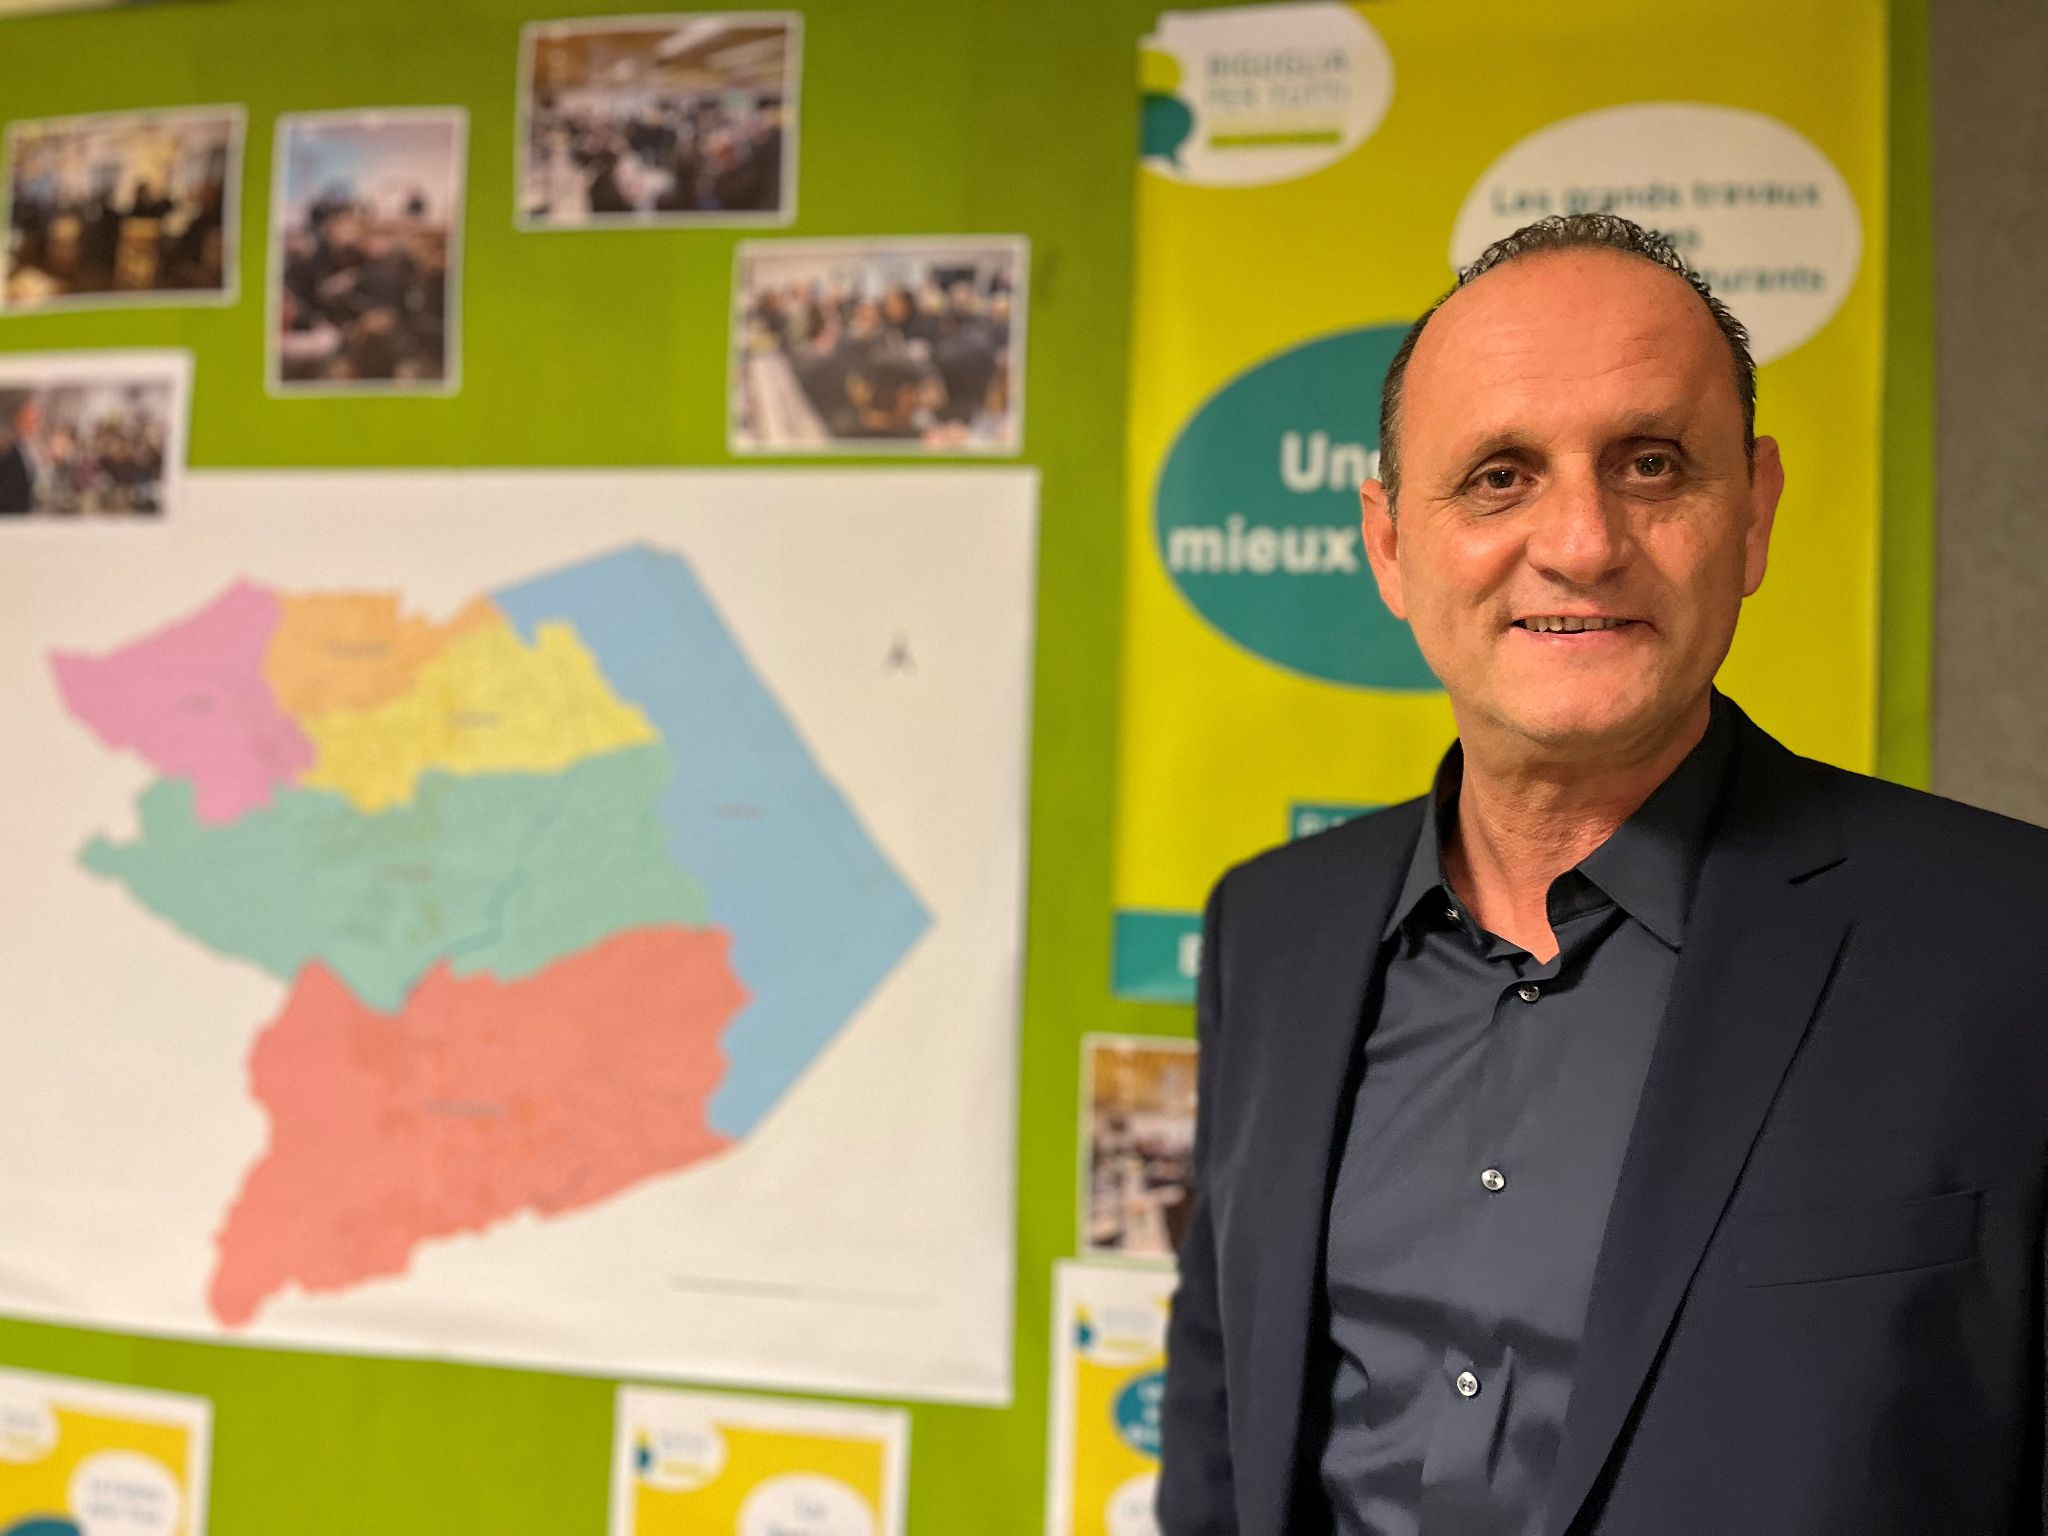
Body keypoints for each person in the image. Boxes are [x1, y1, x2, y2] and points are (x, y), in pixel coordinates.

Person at [1157, 213, 2048, 1536]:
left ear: (1751, 515)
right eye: (1499, 475)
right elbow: (1220, 1427)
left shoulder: (2007, 943)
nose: (1581, 541)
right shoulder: (1273, 931)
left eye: (1649, 464)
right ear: (1389, 545)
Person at [0, 393, 41, 514]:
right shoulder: (7, 449)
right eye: (31, 421)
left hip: (25, 512)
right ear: (19, 421)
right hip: (11, 514)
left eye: (36, 421)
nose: (35, 426)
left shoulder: (30, 448)